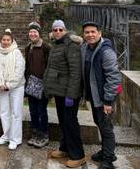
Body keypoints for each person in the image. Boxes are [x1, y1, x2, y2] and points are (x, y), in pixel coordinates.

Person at [44, 19, 86, 168]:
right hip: (59, 91)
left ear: (65, 30)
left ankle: (78, 155)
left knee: (70, 122)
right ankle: (65, 148)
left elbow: (75, 73)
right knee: (63, 121)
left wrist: (71, 95)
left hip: (69, 92)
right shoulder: (56, 44)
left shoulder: (71, 45)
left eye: (61, 29)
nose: (58, 32)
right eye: (55, 30)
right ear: (52, 31)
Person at [81, 21, 122, 169]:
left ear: (99, 33)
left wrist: (108, 101)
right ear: (83, 35)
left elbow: (114, 78)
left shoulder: (106, 51)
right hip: (94, 96)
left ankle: (108, 159)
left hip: (104, 98)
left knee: (106, 127)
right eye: (87, 32)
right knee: (100, 123)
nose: (90, 35)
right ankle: (105, 152)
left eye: (93, 32)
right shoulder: (85, 47)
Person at [0, 29, 25, 150]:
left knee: (16, 113)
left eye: (8, 40)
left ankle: (15, 139)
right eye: (4, 40)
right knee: (4, 112)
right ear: (1, 41)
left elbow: (19, 71)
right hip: (2, 87)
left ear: (12, 41)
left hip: (16, 87)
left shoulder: (17, 53)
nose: (6, 42)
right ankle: (6, 135)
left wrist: (9, 85)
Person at [24, 21, 51, 148]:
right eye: (31, 32)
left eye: (35, 32)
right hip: (31, 84)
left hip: (43, 84)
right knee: (33, 110)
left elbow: (50, 66)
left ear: (39, 33)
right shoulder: (27, 47)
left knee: (42, 111)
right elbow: (27, 67)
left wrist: (47, 85)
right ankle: (35, 134)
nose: (32, 34)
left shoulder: (46, 47)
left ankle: (44, 135)